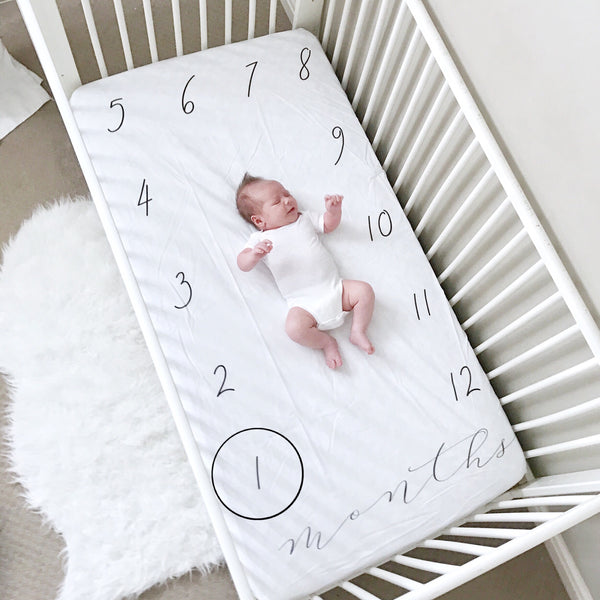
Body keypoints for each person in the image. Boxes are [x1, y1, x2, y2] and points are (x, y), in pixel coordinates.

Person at [236, 173, 375, 369]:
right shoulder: (259, 240)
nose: (287, 200)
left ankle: (358, 331)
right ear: (259, 221)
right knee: (294, 329)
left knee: (364, 291)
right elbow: (242, 263)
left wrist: (334, 211)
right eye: (277, 201)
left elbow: (328, 225)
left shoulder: (304, 219)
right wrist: (254, 255)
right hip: (304, 304)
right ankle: (326, 343)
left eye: (287, 194)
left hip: (336, 289)